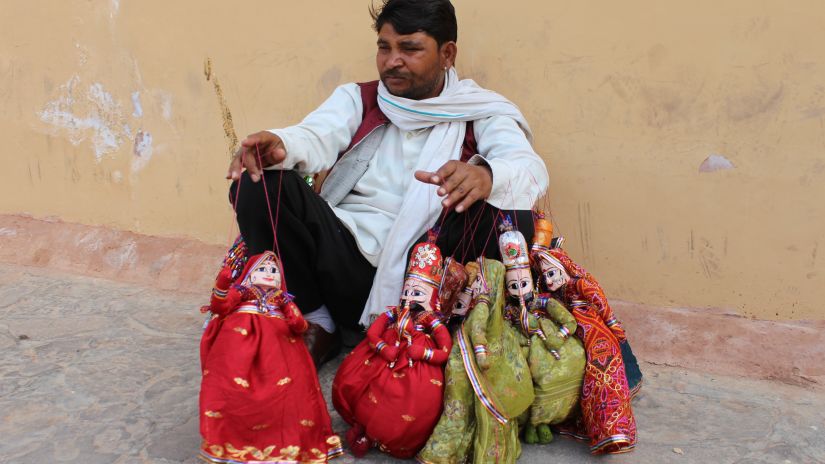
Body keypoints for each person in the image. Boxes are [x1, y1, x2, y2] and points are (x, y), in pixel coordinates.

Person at [226, 0, 548, 366]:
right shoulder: (358, 99)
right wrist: (280, 145)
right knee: (257, 183)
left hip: (428, 271)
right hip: (346, 259)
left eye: (409, 49)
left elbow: (527, 168)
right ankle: (319, 320)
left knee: (512, 217)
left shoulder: (482, 111)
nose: (391, 61)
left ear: (447, 53)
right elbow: (314, 136)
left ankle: (445, 333)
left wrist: (486, 176)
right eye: (384, 47)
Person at [199, 251, 343, 463]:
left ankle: (282, 444)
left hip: (279, 355)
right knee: (232, 391)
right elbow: (220, 306)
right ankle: (233, 440)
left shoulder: (281, 302)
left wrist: (287, 306)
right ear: (249, 275)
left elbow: (300, 326)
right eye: (263, 269)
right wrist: (222, 285)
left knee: (289, 395)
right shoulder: (241, 296)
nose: (269, 274)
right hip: (239, 354)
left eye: (274, 270)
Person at [331, 240, 454, 459]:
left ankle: (384, 436)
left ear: (432, 298)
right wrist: (382, 347)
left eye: (417, 293)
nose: (409, 298)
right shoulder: (394, 313)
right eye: (406, 291)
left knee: (411, 402)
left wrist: (424, 353)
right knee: (360, 384)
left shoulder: (430, 321)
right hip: (387, 353)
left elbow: (445, 350)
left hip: (416, 365)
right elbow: (372, 334)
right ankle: (363, 427)